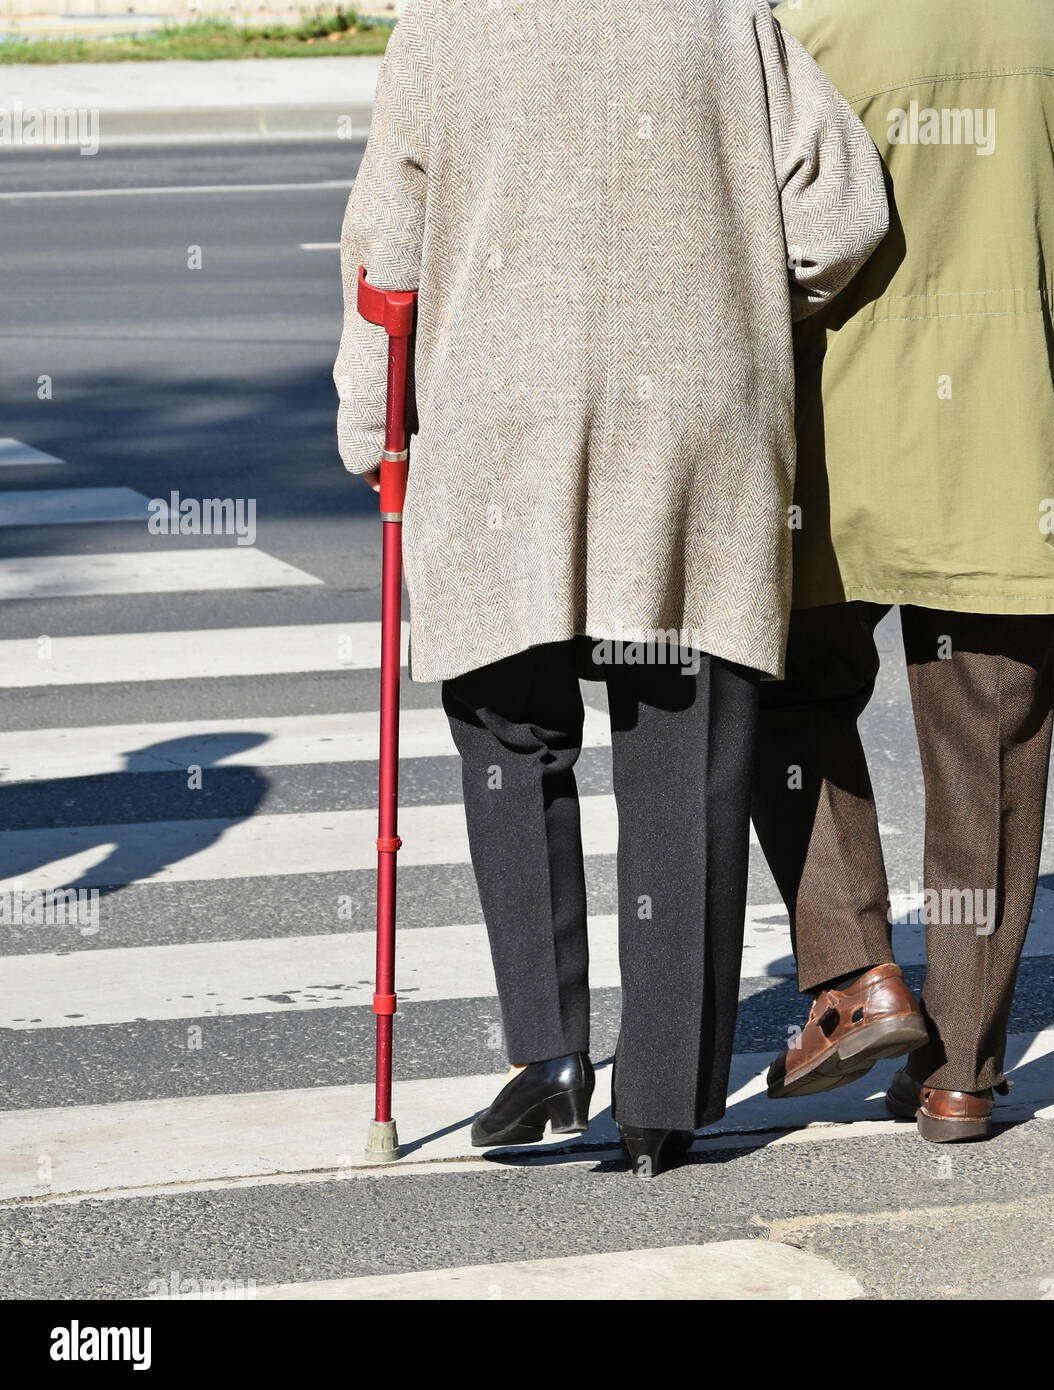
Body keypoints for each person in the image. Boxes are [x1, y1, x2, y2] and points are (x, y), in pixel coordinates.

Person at [334, 0, 889, 1176]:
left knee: (507, 721)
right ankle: (660, 1100)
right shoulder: (722, 10)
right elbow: (841, 211)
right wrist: (741, 295)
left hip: (504, 420)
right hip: (690, 417)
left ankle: (545, 1047)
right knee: (681, 741)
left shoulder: (443, 22)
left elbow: (386, 259)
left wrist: (369, 429)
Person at [753, 0, 1054, 1141]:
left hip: (828, 443)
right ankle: (959, 1073)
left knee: (782, 705)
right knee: (985, 757)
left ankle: (854, 975)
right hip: (1012, 448)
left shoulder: (799, 11)